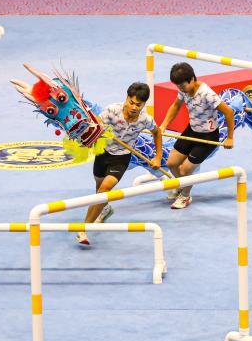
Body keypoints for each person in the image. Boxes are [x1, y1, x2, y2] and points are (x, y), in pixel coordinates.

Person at [78, 82, 162, 246]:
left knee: (104, 190)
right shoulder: (111, 110)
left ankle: (83, 229)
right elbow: (95, 127)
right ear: (127, 98)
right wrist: (95, 133)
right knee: (99, 189)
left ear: (144, 104)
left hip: (121, 158)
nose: (134, 107)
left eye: (139, 105)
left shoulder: (145, 120)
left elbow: (157, 132)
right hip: (103, 153)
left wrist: (158, 157)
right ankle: (105, 209)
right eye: (131, 102)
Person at [157, 62, 235, 209]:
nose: (180, 89)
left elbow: (229, 112)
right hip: (192, 130)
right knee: (171, 163)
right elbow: (176, 106)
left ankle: (185, 195)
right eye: (178, 86)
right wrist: (163, 125)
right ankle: (182, 186)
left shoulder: (207, 94)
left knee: (185, 170)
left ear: (192, 79)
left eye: (182, 85)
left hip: (208, 137)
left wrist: (230, 138)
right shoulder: (183, 90)